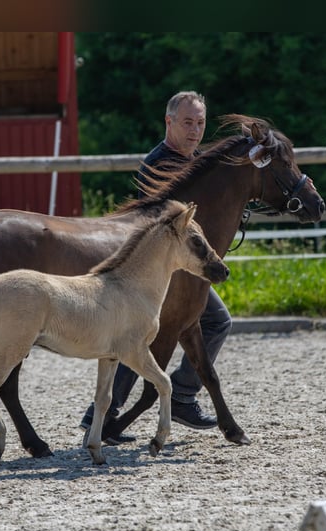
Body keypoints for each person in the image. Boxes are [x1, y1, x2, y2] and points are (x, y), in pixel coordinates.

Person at [80, 90, 232, 443]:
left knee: (177, 330)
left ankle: (170, 398)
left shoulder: (193, 162)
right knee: (157, 333)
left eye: (200, 123)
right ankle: (176, 398)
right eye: (187, 122)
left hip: (179, 271)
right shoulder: (162, 163)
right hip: (159, 272)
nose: (195, 130)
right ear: (169, 122)